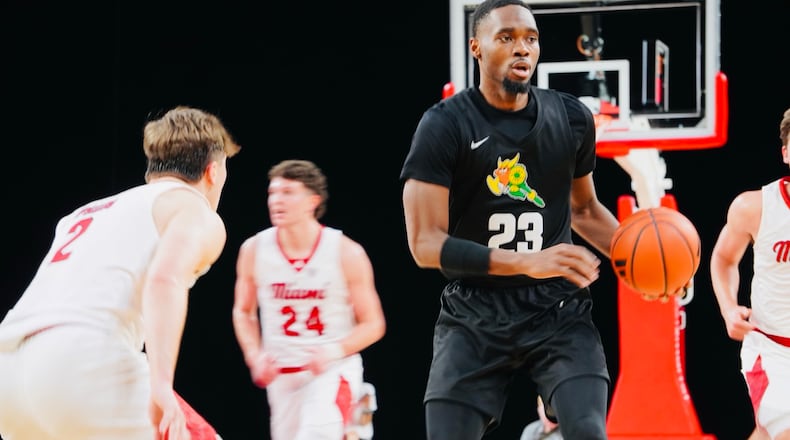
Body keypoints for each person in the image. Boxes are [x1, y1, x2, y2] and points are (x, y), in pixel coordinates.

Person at [399, 0, 622, 438]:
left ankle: (556, 406)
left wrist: (640, 259)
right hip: (474, 313)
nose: (522, 48)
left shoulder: (573, 118)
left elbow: (584, 209)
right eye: (507, 38)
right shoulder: (443, 126)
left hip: (557, 310)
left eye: (531, 39)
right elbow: (424, 245)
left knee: (588, 431)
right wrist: (527, 261)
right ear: (476, 48)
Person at [0, 105, 241, 440]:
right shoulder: (192, 208)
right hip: (79, 360)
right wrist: (160, 384)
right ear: (213, 172)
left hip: (8, 372)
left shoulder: (84, 213)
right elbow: (164, 279)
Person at [232, 159, 386, 440]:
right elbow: (243, 312)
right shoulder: (254, 250)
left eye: (288, 192)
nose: (276, 200)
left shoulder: (346, 252)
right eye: (272, 193)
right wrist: (254, 355)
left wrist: (333, 350)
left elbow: (374, 324)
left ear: (312, 201)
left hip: (332, 371)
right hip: (282, 377)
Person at [710, 107, 790, 440]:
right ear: (786, 153)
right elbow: (725, 258)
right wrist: (729, 308)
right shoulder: (755, 206)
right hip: (773, 349)